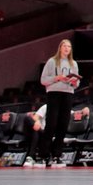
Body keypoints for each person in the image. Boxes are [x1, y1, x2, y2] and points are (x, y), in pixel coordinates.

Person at [38, 38, 79, 167]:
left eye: (69, 46)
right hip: (54, 93)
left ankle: (57, 155)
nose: (67, 48)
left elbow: (77, 83)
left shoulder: (73, 63)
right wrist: (57, 78)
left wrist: (74, 82)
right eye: (65, 46)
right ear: (60, 48)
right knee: (51, 124)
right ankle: (44, 155)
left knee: (63, 125)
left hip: (68, 94)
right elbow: (43, 80)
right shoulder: (52, 61)